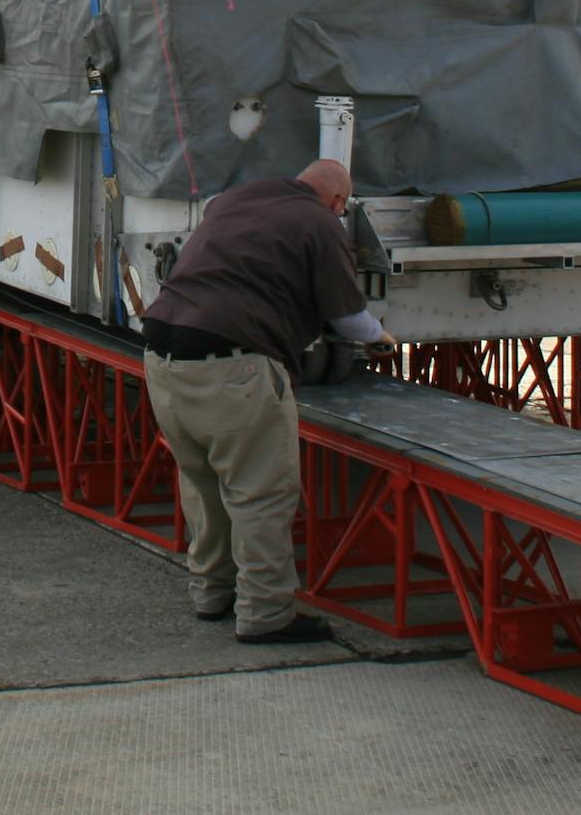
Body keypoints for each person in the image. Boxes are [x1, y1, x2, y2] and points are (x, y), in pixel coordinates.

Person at [139, 159, 395, 645]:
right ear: (339, 201)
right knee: (260, 493)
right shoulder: (319, 222)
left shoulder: (235, 198)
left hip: (162, 354)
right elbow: (347, 316)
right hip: (234, 366)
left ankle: (211, 593)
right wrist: (383, 338)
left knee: (202, 481)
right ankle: (266, 613)